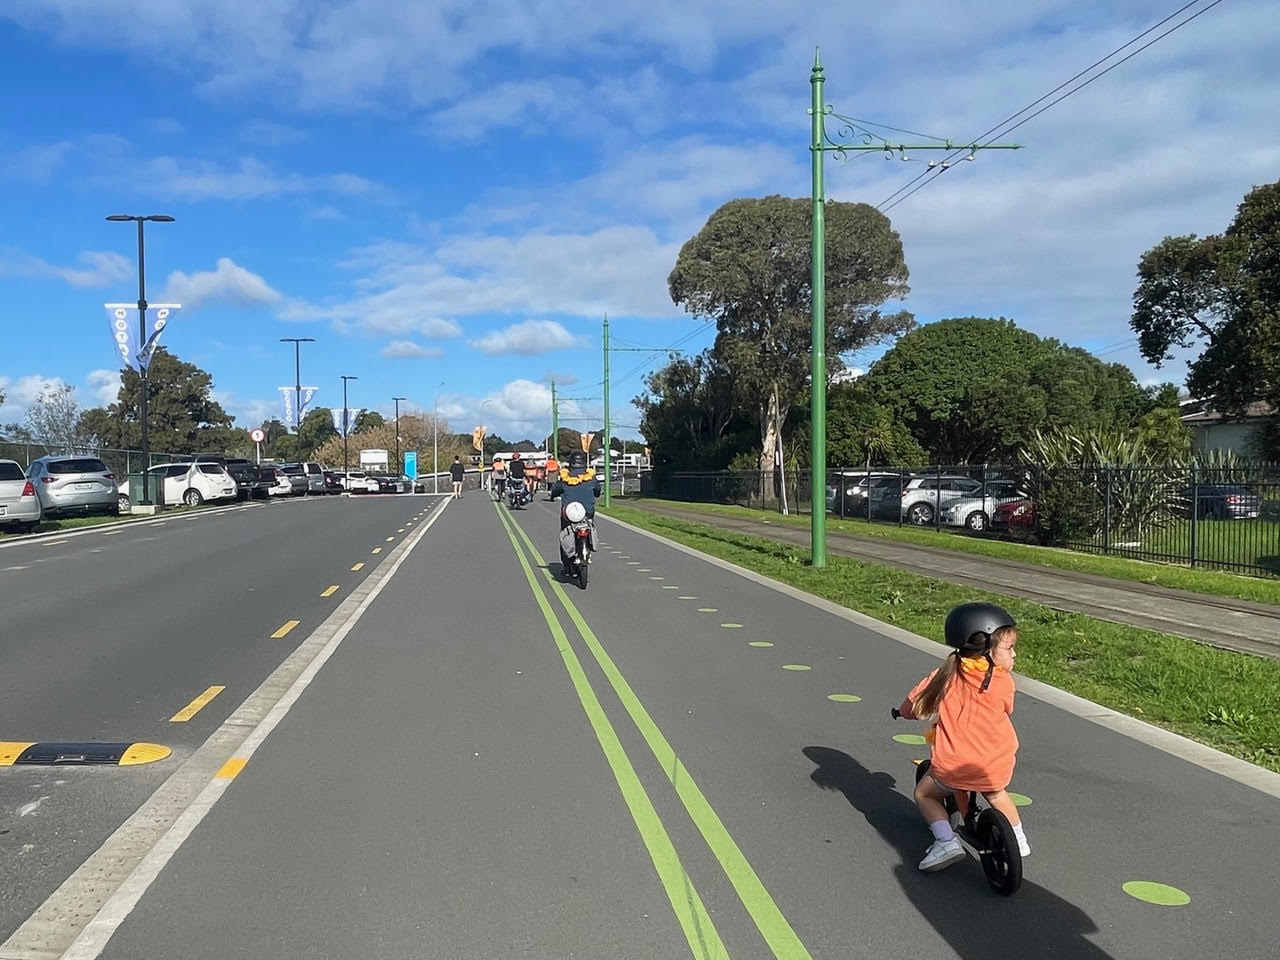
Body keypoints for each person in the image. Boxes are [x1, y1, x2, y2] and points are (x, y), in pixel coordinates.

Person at [895, 601, 1029, 872]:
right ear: (986, 651)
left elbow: (914, 706)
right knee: (997, 793)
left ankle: (946, 842)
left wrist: (901, 712)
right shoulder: (1003, 681)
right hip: (996, 759)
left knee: (925, 794)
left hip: (955, 762)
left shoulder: (943, 676)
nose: (1014, 655)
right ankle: (1018, 839)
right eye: (1009, 648)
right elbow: (1007, 708)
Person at [551, 450, 602, 567]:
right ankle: (589, 546)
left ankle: (566, 565)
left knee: (564, 533)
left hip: (568, 514)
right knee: (590, 523)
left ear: (571, 463)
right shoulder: (591, 477)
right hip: (587, 513)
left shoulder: (565, 478)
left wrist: (553, 494)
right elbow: (598, 491)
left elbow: (554, 490)